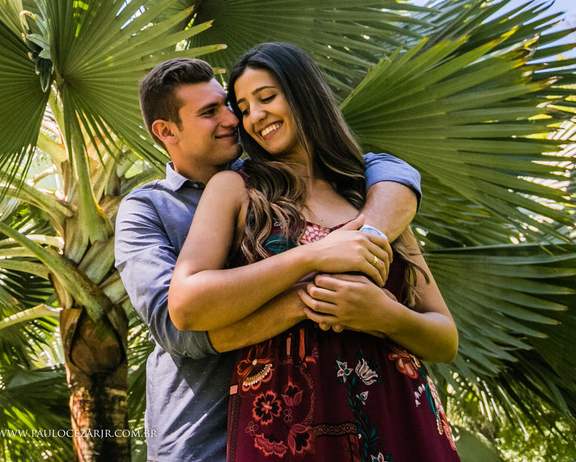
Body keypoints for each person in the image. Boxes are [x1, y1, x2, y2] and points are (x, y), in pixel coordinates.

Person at [115, 57, 421, 462]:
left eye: (229, 106)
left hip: (307, 427)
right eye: (210, 112)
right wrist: (312, 295)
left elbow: (389, 169)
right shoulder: (147, 209)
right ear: (166, 131)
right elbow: (177, 326)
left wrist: (366, 241)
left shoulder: (276, 180)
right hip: (202, 439)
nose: (233, 119)